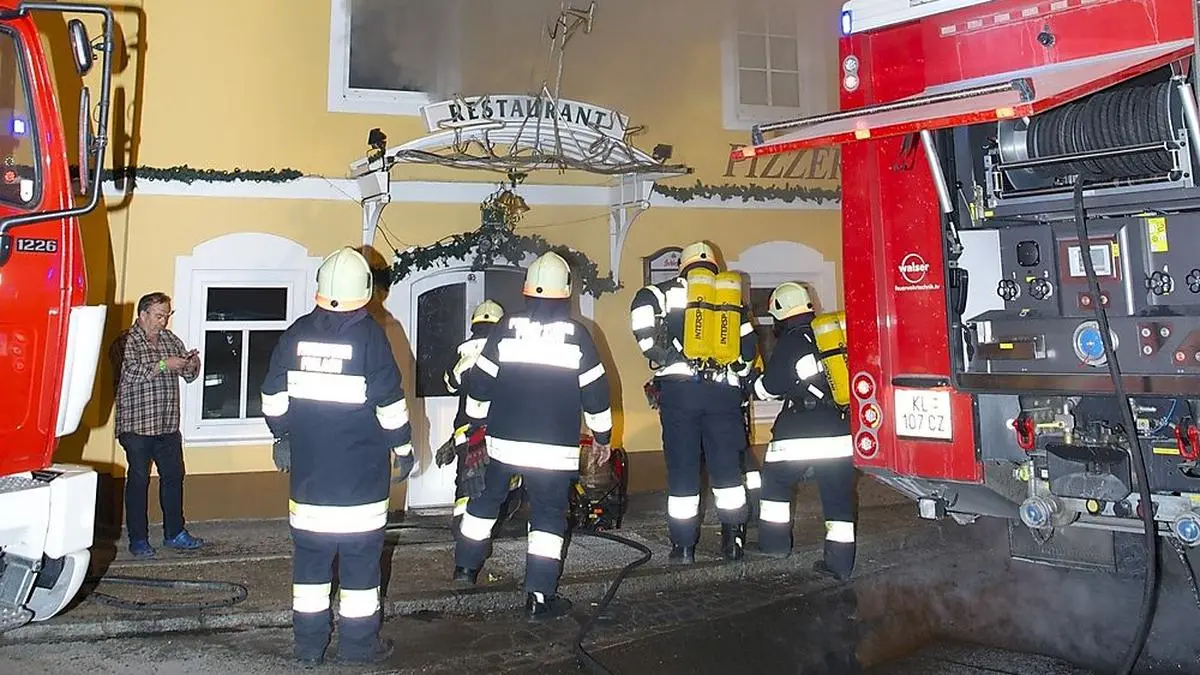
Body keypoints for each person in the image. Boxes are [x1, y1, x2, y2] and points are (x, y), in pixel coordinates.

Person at [260, 246, 415, 666]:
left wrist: (282, 435)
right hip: (360, 488)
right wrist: (402, 450)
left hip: (309, 487)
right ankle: (358, 648)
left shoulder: (296, 333)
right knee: (361, 573)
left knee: (309, 571)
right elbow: (390, 404)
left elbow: (272, 395)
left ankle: (309, 649)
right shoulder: (370, 337)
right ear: (365, 289)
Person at [451, 251, 613, 619]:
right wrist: (602, 437)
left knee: (485, 502)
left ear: (526, 291)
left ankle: (465, 567)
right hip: (553, 451)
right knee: (548, 516)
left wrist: (475, 423)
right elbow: (597, 391)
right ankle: (539, 597)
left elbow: (481, 382)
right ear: (567, 293)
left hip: (503, 442)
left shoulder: (506, 327)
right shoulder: (578, 336)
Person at [629, 241, 757, 563]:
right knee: (728, 471)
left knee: (683, 470)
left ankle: (684, 548)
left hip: (680, 392)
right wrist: (735, 377)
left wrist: (669, 356)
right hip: (724, 396)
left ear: (680, 268)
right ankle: (733, 542)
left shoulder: (659, 293)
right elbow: (748, 351)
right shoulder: (729, 299)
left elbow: (643, 329)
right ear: (715, 267)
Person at [749, 282, 856, 581]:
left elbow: (769, 388)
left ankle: (774, 544)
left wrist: (752, 383)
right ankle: (840, 565)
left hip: (799, 432)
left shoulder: (792, 342)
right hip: (839, 432)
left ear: (779, 315)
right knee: (838, 497)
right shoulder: (830, 338)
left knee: (774, 482)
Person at [112, 291, 205, 558]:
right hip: (137, 427)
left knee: (174, 478)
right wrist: (164, 364)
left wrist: (190, 363)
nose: (163, 321)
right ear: (142, 315)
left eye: (166, 315)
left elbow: (190, 375)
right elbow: (128, 373)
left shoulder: (170, 340)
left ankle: (175, 533)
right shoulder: (126, 340)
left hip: (166, 425)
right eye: (158, 315)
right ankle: (138, 539)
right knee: (139, 481)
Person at [437, 299, 506, 531]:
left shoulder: (461, 350)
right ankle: (488, 528)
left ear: (474, 323)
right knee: (495, 481)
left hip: (466, 433)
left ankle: (461, 528)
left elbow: (451, 385)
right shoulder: (505, 347)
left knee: (465, 483)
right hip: (497, 430)